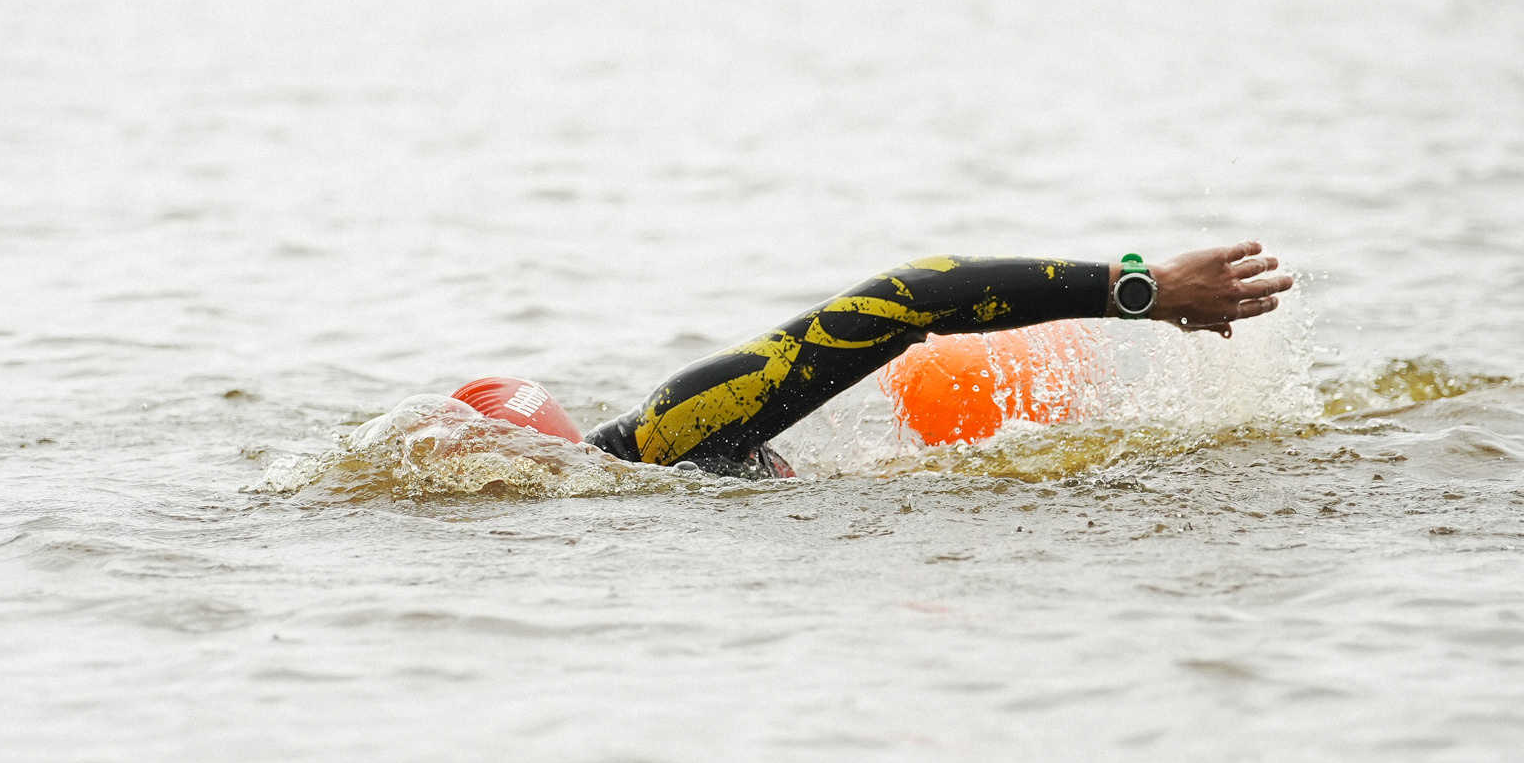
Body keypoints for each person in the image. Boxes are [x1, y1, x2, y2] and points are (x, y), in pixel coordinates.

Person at [452, 242, 1294, 480]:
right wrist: (1141, 292)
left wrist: (1137, 289)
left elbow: (905, 298)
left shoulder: (673, 429)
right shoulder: (662, 460)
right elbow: (911, 297)